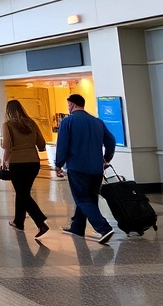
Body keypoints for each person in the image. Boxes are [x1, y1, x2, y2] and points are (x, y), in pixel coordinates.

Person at [55, 93, 116, 244]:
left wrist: (58, 164)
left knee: (82, 198)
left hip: (77, 167)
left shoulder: (67, 122)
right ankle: (77, 226)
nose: (68, 107)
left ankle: (104, 228)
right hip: (96, 169)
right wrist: (106, 158)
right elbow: (111, 141)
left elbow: (62, 144)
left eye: (68, 104)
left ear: (72, 104)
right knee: (89, 198)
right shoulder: (97, 122)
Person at [1, 100, 50, 238]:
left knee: (22, 193)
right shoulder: (31, 123)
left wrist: (3, 161)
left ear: (8, 111)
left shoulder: (8, 125)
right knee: (23, 192)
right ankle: (18, 221)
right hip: (33, 162)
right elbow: (41, 144)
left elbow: (7, 145)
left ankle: (40, 221)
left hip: (17, 162)